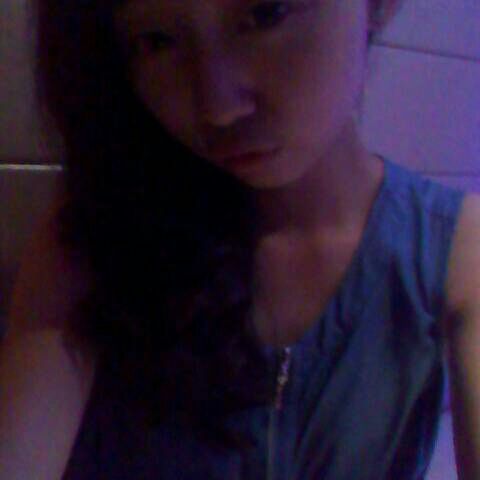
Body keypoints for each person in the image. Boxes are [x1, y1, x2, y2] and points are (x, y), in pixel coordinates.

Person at [1, 0, 479, 478]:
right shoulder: (93, 245)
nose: (219, 108)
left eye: (266, 14)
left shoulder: (456, 249)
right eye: (157, 42)